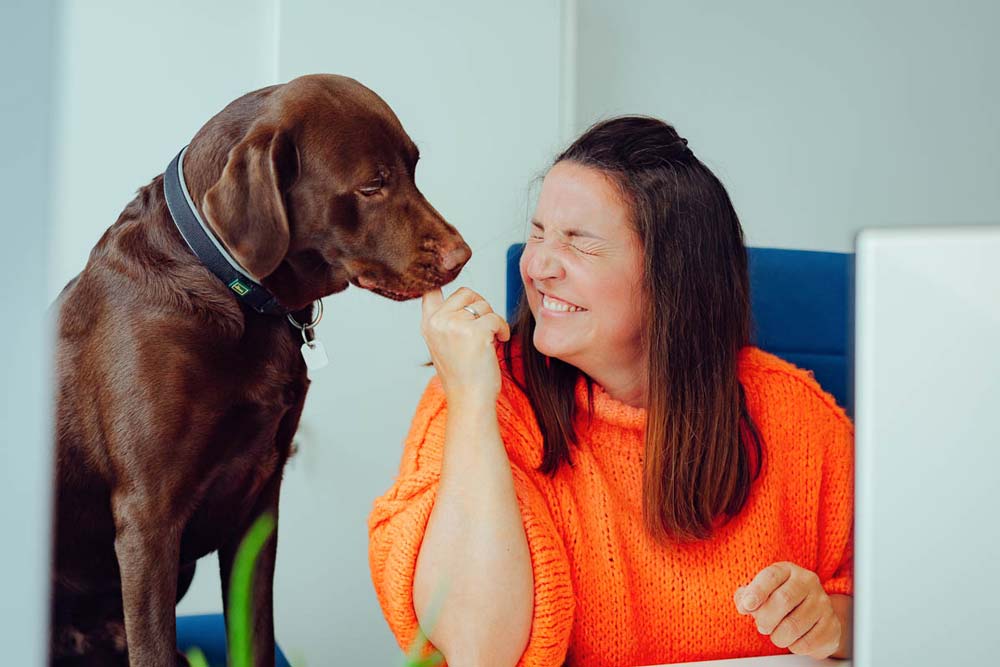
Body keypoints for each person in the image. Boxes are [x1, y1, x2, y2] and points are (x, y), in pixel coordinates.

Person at [368, 116, 853, 667]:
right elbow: (479, 652)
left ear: (673, 275)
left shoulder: (798, 416)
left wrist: (829, 621)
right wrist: (474, 400)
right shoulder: (479, 395)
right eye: (538, 233)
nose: (539, 267)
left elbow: (889, 605)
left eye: (579, 244)